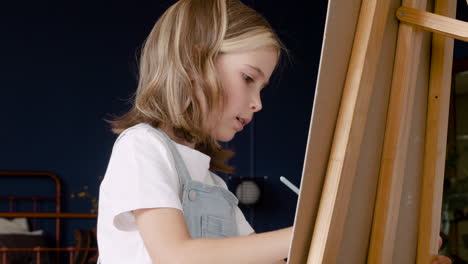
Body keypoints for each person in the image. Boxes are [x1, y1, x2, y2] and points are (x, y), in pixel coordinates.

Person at [96, 0, 452, 263]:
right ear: (194, 64)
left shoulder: (213, 185)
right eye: (248, 78)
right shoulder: (142, 146)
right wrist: (314, 234)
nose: (257, 103)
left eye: (261, 88)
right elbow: (176, 256)